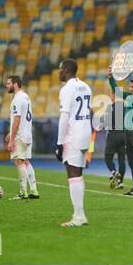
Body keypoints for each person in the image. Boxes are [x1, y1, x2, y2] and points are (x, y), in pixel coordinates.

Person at [55, 59, 92, 227]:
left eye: (60, 69)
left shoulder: (66, 89)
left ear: (67, 70)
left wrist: (59, 142)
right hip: (85, 133)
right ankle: (80, 214)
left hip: (73, 135)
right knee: (78, 174)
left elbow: (64, 117)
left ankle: (79, 216)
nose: (59, 72)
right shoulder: (86, 87)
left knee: (73, 173)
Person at [107, 63, 133, 195]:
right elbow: (116, 89)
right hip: (128, 133)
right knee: (132, 162)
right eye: (129, 87)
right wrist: (110, 78)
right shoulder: (128, 96)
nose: (130, 89)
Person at [5, 75, 39, 200]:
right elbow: (23, 118)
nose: (6, 86)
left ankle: (23, 192)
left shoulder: (17, 99)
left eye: (8, 83)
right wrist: (11, 133)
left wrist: (12, 139)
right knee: (26, 161)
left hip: (20, 136)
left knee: (19, 161)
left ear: (15, 84)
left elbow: (17, 120)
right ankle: (34, 190)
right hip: (27, 134)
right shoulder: (26, 97)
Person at [103, 91, 126, 189]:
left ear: (113, 95)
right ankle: (120, 182)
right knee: (122, 159)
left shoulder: (110, 107)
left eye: (111, 94)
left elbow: (107, 124)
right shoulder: (126, 107)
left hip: (113, 135)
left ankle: (114, 172)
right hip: (124, 135)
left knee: (108, 157)